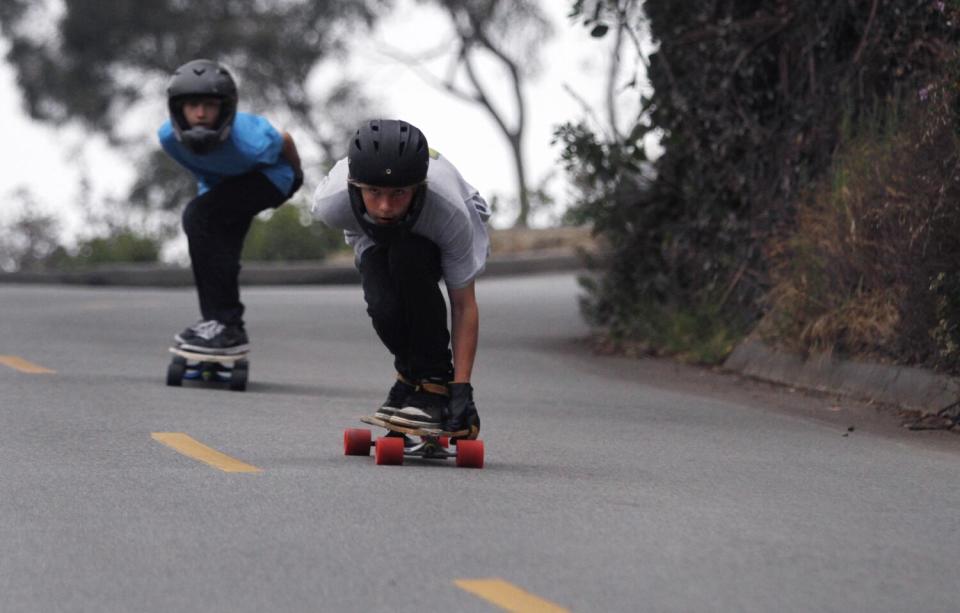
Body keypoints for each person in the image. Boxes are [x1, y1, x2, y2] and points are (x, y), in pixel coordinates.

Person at [312, 119, 488, 438]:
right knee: (384, 308)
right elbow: (368, 232)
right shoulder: (331, 203)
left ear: (418, 188)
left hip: (431, 235)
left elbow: (463, 306)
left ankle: (434, 385)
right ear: (354, 185)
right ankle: (409, 379)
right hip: (370, 238)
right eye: (374, 192)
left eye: (398, 194)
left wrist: (462, 388)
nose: (385, 207)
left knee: (408, 258)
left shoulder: (449, 212)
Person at [159, 58, 303, 354]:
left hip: (272, 179)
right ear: (178, 109)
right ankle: (228, 328)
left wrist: (297, 177)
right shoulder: (169, 140)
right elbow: (206, 167)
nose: (200, 113)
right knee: (218, 247)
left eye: (209, 106)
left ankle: (220, 323)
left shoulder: (251, 140)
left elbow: (286, 140)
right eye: (192, 106)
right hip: (227, 185)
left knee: (198, 216)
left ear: (224, 107)